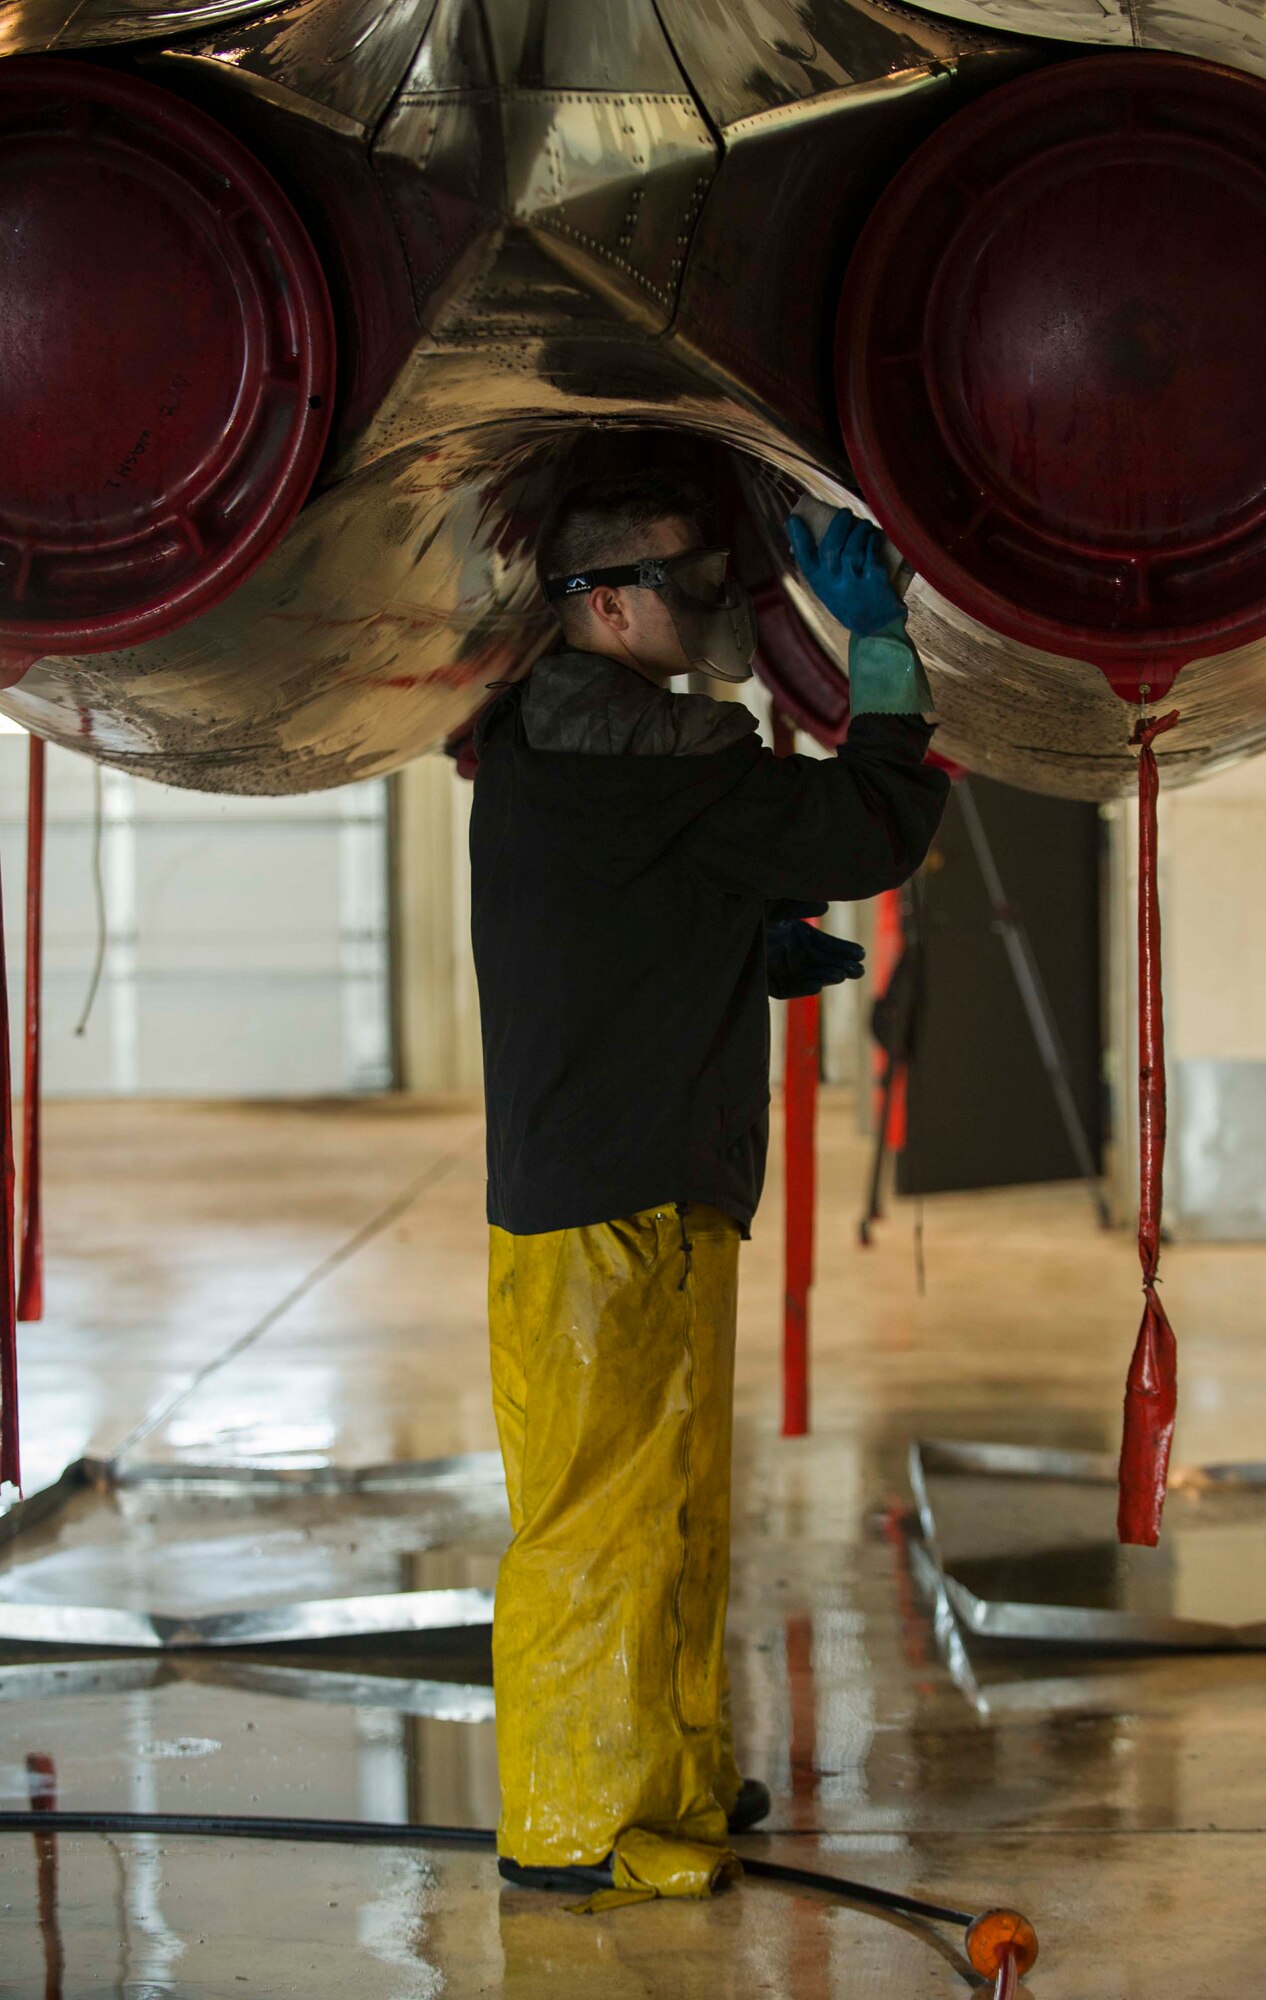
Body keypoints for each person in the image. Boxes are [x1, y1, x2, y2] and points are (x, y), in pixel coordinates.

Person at [469, 473, 948, 1904]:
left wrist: (727, 943)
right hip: (604, 1202)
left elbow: (610, 913)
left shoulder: (569, 738)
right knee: (597, 1529)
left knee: (668, 1509)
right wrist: (880, 657)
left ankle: (666, 1780)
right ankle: (569, 1825)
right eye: (681, 581)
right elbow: (872, 828)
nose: (706, 609)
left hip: (640, 1181)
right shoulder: (654, 751)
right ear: (603, 603)